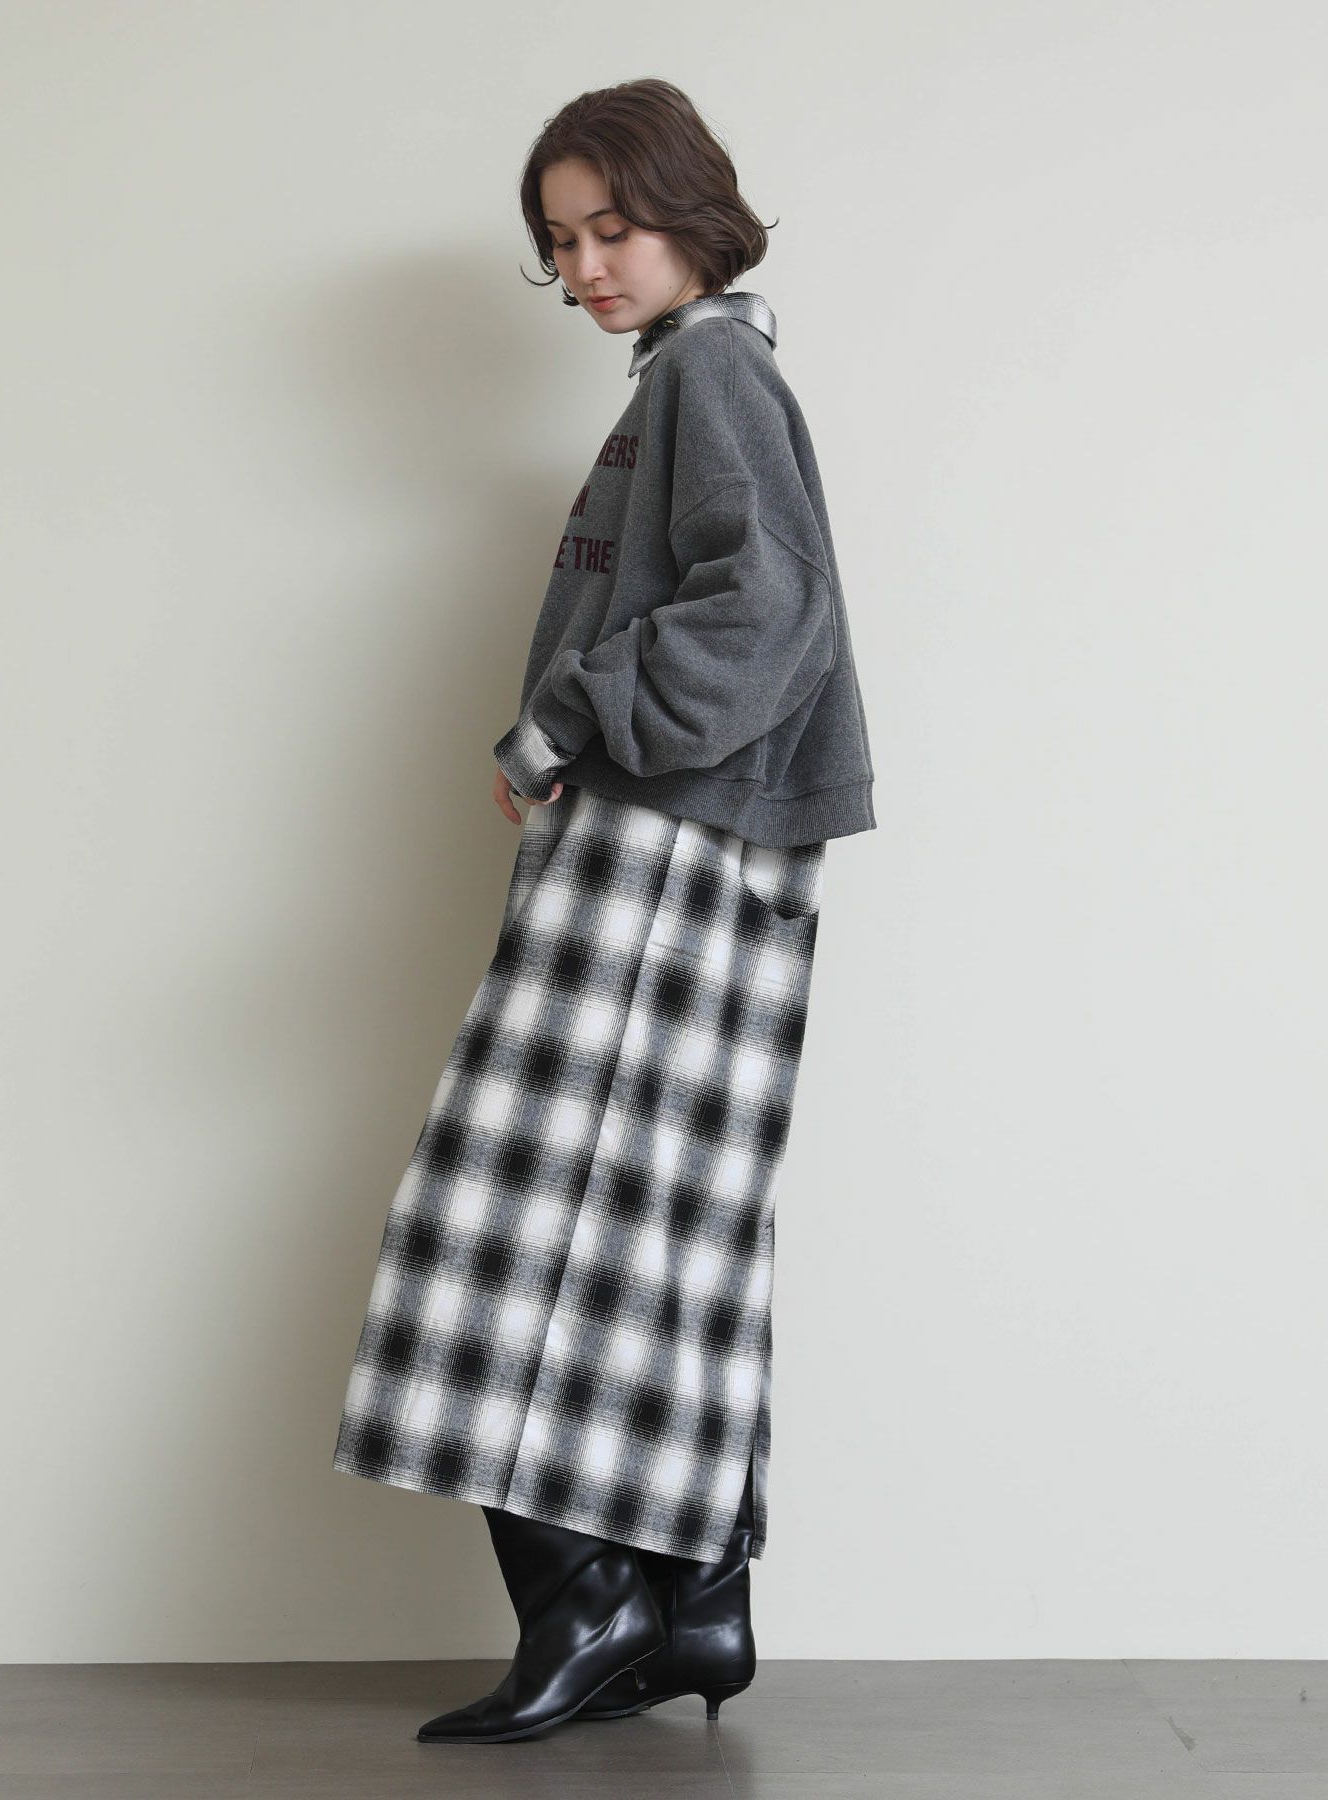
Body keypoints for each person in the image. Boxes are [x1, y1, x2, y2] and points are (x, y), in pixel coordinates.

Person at [332, 77, 876, 1744]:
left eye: (612, 230)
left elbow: (765, 606)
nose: (584, 268)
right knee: (657, 1245)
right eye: (561, 243)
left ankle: (589, 1609)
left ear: (691, 213)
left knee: (503, 1232)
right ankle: (690, 1600)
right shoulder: (703, 373)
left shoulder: (712, 370)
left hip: (666, 853)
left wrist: (567, 718)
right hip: (707, 859)